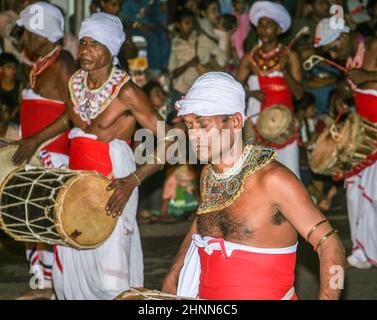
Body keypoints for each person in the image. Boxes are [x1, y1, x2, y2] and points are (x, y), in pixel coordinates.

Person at [13, 12, 174, 300]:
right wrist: (35, 139)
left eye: (95, 44)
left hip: (114, 180)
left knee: (109, 262)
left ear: (110, 49)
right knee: (74, 246)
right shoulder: (76, 82)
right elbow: (69, 118)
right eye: (84, 42)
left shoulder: (128, 93)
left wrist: (133, 179)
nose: (85, 50)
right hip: (77, 179)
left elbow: (172, 140)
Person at [161, 72, 345, 300]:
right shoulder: (208, 173)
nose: (194, 136)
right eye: (189, 126)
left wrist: (328, 297)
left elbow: (330, 244)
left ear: (236, 121)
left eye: (203, 125)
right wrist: (175, 271)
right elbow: (202, 221)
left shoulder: (274, 180)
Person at [13, 2, 77, 300]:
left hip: (53, 156)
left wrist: (34, 140)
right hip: (36, 153)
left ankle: (53, 287)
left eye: (28, 33)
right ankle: (41, 284)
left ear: (43, 35)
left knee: (48, 222)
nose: (23, 39)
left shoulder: (62, 62)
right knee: (33, 221)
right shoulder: (41, 64)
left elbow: (74, 112)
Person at [314, 17, 377, 269]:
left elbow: (368, 79)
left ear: (345, 36)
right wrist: (344, 96)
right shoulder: (351, 60)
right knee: (354, 191)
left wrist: (368, 75)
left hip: (375, 131)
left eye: (333, 46)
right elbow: (357, 87)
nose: (332, 53)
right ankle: (362, 248)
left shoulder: (373, 46)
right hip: (362, 133)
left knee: (373, 194)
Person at [237, 1, 304, 178]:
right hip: (258, 124)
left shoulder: (290, 56)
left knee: (289, 174)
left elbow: (299, 94)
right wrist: (251, 93)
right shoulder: (250, 58)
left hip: (284, 124)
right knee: (260, 176)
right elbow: (235, 89)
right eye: (260, 25)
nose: (263, 29)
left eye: (268, 25)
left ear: (279, 29)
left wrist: (283, 71)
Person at [0, 53, 23, 139]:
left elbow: (21, 103)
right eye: (8, 67)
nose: (12, 70)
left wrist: (14, 112)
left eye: (14, 67)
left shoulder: (19, 84)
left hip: (14, 119)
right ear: (1, 69)